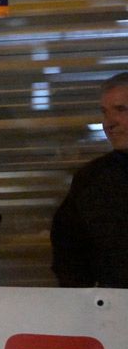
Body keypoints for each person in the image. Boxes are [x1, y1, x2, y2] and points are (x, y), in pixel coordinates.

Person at [51, 72, 128, 287]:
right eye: (105, 113)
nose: (109, 123)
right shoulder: (92, 179)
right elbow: (68, 251)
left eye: (121, 110)